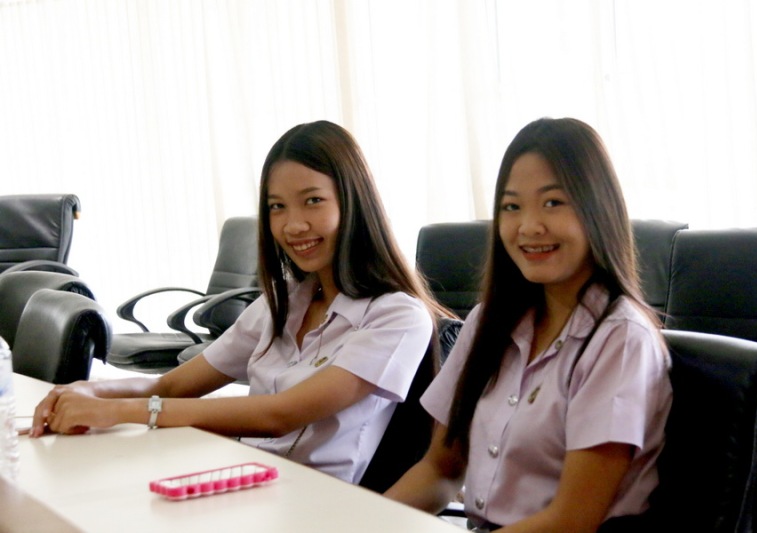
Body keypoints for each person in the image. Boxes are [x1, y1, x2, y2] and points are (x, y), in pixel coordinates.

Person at [31, 120, 447, 485]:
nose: (293, 225)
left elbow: (279, 415)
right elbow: (170, 386)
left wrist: (122, 412)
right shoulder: (284, 301)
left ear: (353, 202)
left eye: (313, 201)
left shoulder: (397, 316)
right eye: (277, 207)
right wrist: (89, 391)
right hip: (246, 481)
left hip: (320, 505)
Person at [384, 117, 673, 532]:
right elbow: (440, 469)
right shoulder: (487, 322)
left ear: (597, 210)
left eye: (553, 203)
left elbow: (572, 520)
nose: (529, 226)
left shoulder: (621, 339)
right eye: (512, 207)